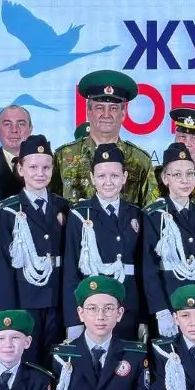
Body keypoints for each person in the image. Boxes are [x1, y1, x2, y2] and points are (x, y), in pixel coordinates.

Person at [0, 133, 70, 360]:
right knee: (28, 359)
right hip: (24, 299)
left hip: (57, 298)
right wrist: (8, 313)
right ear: (20, 169)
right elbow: (4, 266)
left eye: (46, 167)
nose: (40, 173)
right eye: (33, 167)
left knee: (58, 359)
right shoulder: (8, 211)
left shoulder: (64, 207)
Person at [64, 143, 145, 343]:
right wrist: (73, 320)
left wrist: (144, 317)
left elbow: (143, 270)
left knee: (126, 358)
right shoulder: (79, 214)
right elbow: (71, 271)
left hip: (127, 304)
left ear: (124, 177)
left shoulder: (135, 214)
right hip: (91, 305)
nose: (108, 182)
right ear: (92, 178)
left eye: (115, 175)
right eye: (101, 176)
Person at [142, 143, 195, 341]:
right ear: (165, 178)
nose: (185, 180)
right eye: (177, 175)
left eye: (190, 174)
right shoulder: (153, 215)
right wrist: (160, 310)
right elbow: (149, 269)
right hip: (169, 298)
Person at [54, 70, 157, 205]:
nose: (106, 114)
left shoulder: (140, 160)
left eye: (113, 108)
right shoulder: (63, 157)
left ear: (123, 113)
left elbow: (152, 211)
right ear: (88, 111)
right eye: (99, 108)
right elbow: (49, 207)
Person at [0, 104, 33, 202]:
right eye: (7, 124)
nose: (14, 130)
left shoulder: (47, 165)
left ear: (30, 129)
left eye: (21, 124)